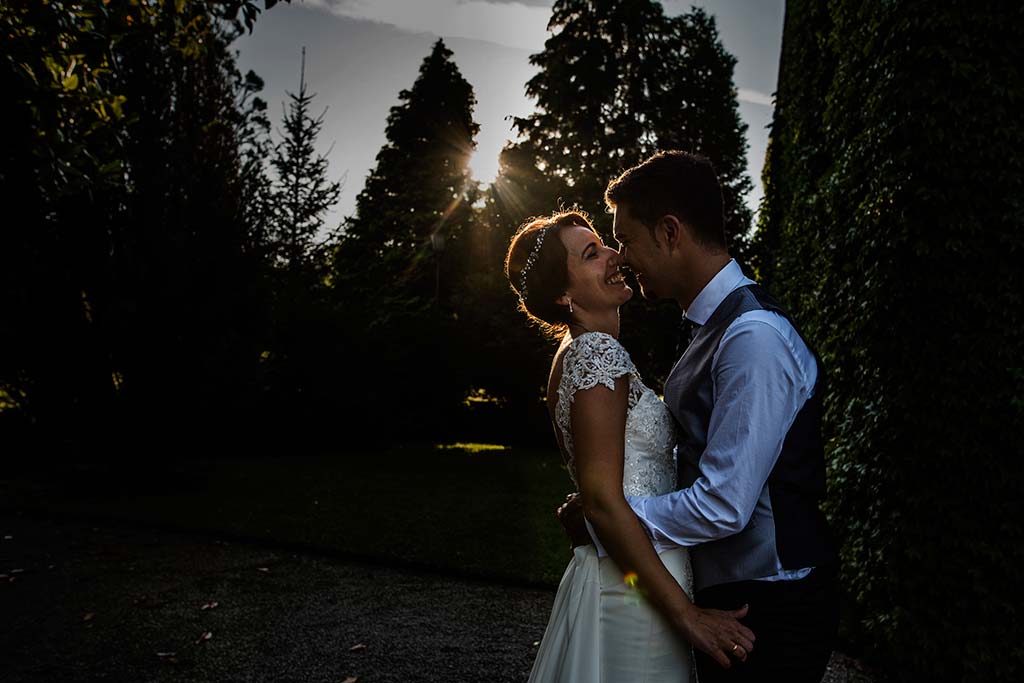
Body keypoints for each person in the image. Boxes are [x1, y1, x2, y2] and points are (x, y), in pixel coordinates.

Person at [561, 150, 839, 681]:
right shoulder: (709, 324)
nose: (621, 257)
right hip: (735, 592)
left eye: (625, 239)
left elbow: (724, 505)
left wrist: (610, 519)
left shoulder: (752, 336)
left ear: (669, 231)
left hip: (771, 599)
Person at [504, 210, 755, 683]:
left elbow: (604, 483)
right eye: (591, 254)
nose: (615, 256)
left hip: (628, 579)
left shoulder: (578, 353)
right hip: (633, 594)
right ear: (564, 294)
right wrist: (686, 614)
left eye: (605, 244)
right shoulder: (596, 353)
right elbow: (601, 500)